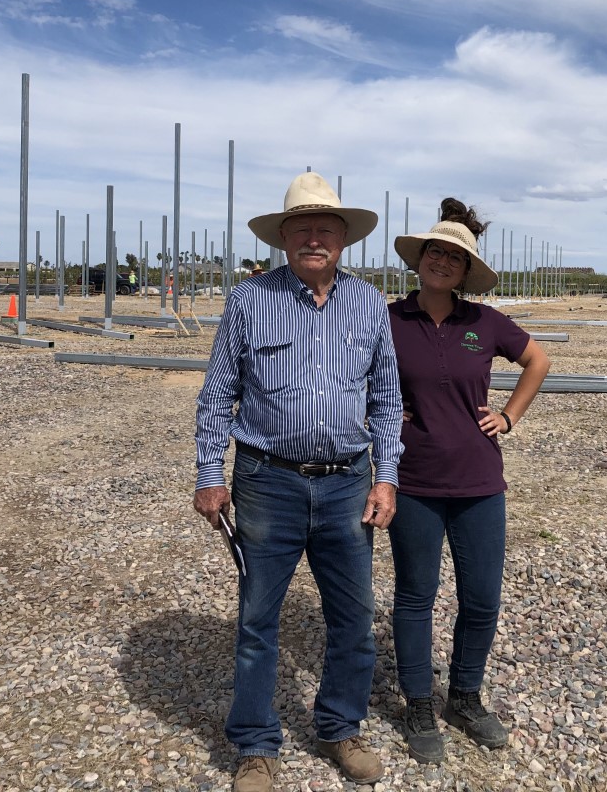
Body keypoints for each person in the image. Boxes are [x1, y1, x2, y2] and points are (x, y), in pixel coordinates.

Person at [194, 172, 404, 792]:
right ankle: (257, 746)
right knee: (259, 618)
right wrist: (211, 474)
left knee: (353, 616)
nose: (315, 239)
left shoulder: (368, 304)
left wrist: (385, 479)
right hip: (267, 482)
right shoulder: (248, 301)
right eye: (303, 229)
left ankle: (341, 729)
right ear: (283, 239)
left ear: (344, 240)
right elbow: (218, 396)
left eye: (326, 230)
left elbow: (387, 398)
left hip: (346, 484)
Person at [386, 198, 551, 763]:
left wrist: (508, 415)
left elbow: (539, 361)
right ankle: (416, 704)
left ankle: (464, 695)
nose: (442, 261)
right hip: (412, 481)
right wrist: (377, 412)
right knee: (414, 598)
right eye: (435, 250)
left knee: (481, 600)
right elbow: (348, 371)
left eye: (454, 256)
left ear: (465, 270)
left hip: (480, 481)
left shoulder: (484, 323)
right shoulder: (387, 319)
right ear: (421, 258)